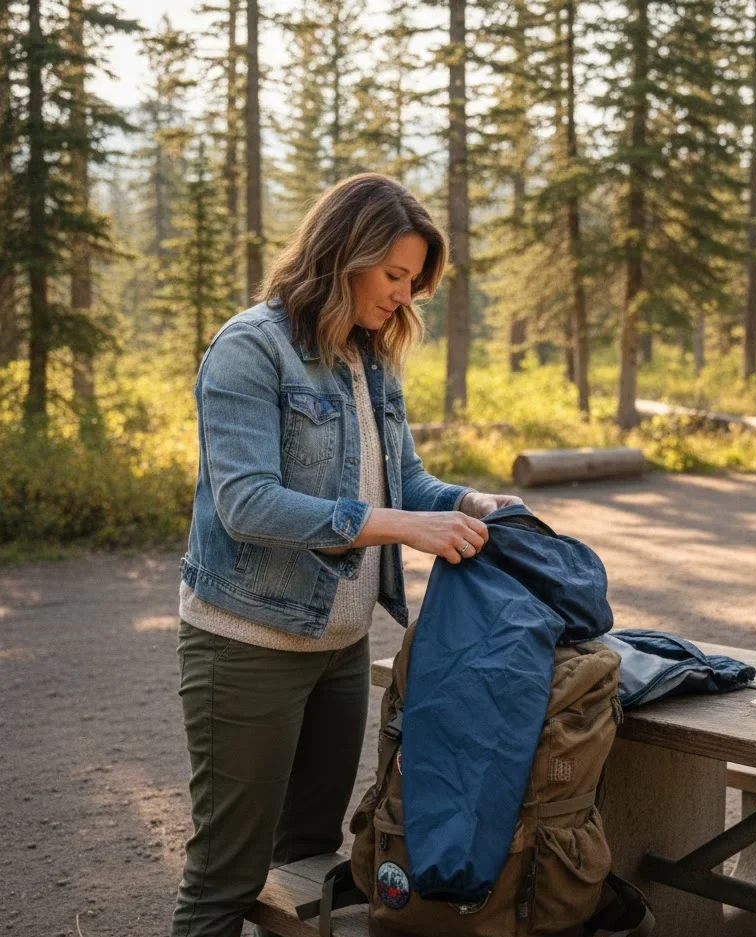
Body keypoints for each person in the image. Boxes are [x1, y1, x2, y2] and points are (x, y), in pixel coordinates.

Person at [172, 172, 522, 937]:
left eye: (414, 282)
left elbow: (409, 479)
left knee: (310, 856)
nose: (403, 295)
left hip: (341, 647)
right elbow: (248, 503)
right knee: (224, 877)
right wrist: (399, 525)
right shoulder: (249, 348)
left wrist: (467, 503)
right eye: (394, 274)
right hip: (248, 645)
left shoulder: (370, 357)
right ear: (343, 253)